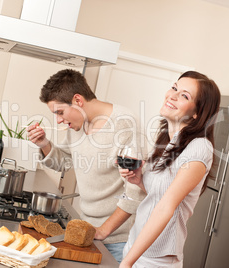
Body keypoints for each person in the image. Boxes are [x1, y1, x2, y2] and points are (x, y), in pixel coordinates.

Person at [27, 69, 146, 262]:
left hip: (117, 240)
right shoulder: (77, 125)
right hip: (87, 229)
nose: (58, 120)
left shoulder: (125, 124)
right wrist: (44, 144)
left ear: (78, 101)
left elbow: (136, 191)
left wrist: (103, 231)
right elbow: (64, 162)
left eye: (60, 112)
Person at [119, 71, 221, 267]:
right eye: (174, 88)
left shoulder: (200, 147)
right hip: (135, 246)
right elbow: (160, 196)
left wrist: (127, 263)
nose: (172, 95)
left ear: (197, 113)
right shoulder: (167, 140)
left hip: (155, 261)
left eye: (184, 95)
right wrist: (140, 180)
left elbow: (167, 207)